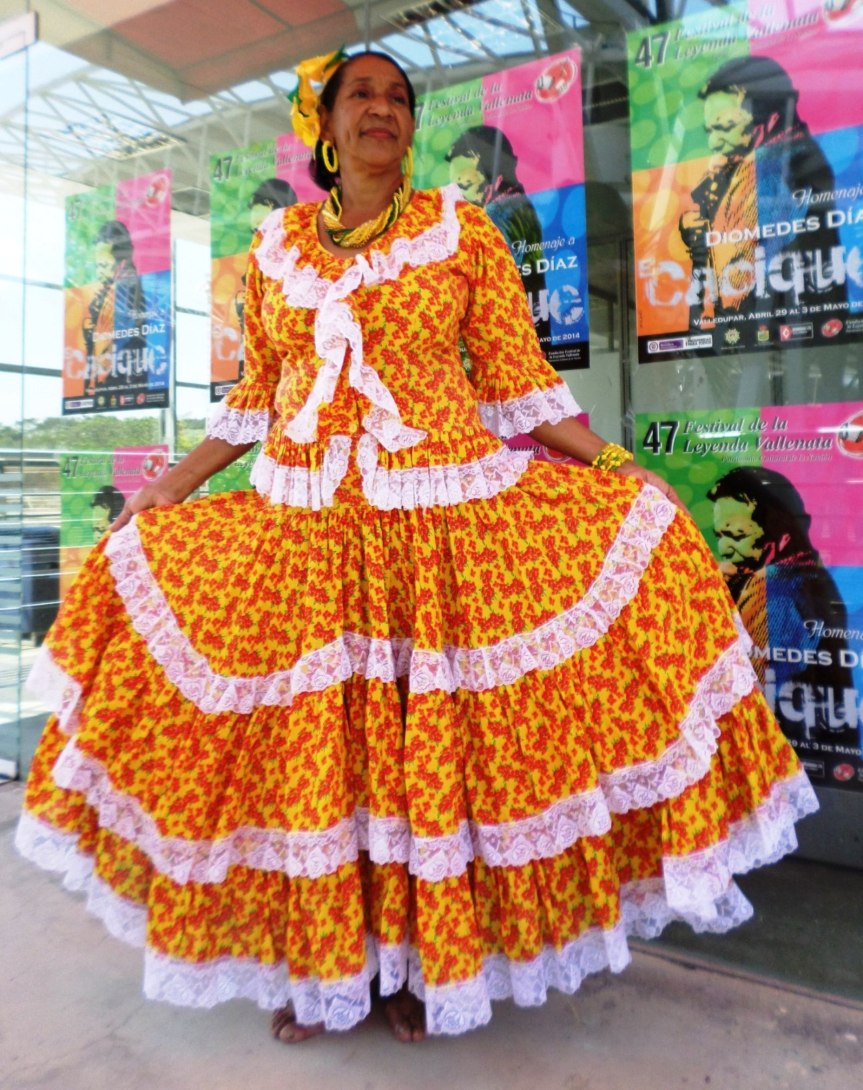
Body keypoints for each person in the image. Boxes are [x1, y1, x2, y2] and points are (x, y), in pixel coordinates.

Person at [17, 49, 817, 1044]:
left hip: (438, 529)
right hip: (306, 535)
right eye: (361, 94)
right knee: (321, 764)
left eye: (398, 97)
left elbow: (520, 385)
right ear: (324, 126)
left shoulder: (460, 231)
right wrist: (171, 485)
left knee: (419, 760)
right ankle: (322, 965)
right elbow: (256, 395)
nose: (382, 109)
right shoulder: (274, 248)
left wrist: (615, 465)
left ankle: (413, 970)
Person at [678, 56, 846, 331]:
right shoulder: (788, 160)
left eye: (724, 127)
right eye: (710, 131)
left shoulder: (776, 171)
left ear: (771, 119)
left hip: (785, 328)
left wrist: (701, 243)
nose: (713, 142)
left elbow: (739, 282)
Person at [708, 467, 857, 749]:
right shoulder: (809, 574)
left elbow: (742, 688)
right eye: (720, 536)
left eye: (737, 535)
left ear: (782, 535)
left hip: (781, 749)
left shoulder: (775, 586)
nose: (724, 549)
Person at [445, 125, 554, 351]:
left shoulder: (496, 215)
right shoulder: (519, 204)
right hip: (525, 336)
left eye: (465, 185)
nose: (464, 196)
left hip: (502, 344)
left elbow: (486, 286)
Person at [234, 179, 299, 379]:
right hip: (264, 367)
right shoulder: (261, 257)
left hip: (281, 370)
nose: (250, 214)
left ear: (269, 205)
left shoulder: (294, 258)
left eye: (253, 206)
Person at [82, 220, 148, 396]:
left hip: (120, 380)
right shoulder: (109, 291)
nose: (99, 272)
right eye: (97, 266)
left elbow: (127, 338)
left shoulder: (126, 290)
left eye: (104, 265)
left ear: (121, 263)